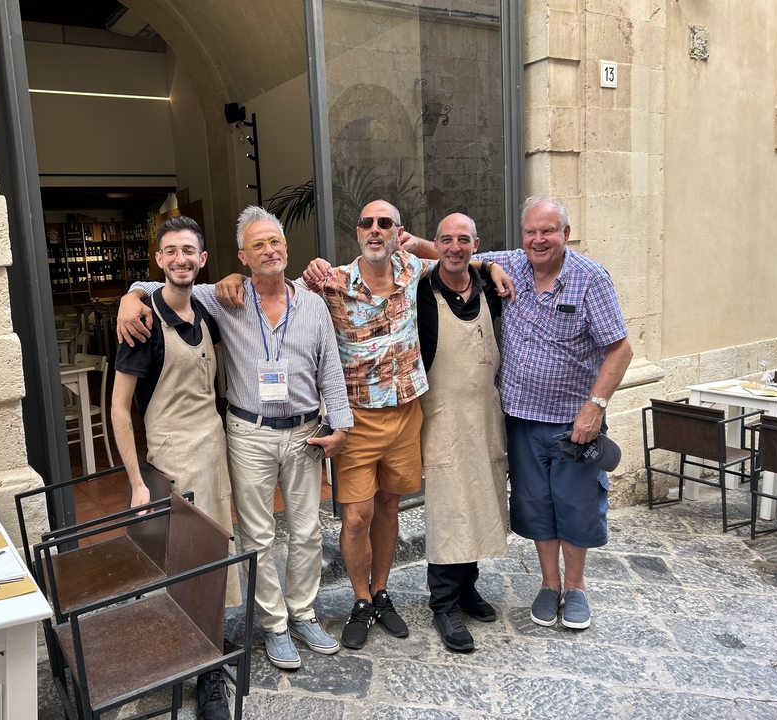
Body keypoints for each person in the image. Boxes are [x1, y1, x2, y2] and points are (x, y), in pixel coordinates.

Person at [219, 200, 511, 651]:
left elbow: (453, 253)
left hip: (407, 412)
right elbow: (270, 278)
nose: (375, 230)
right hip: (355, 419)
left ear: (399, 232)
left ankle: (380, 592)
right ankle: (359, 599)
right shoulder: (326, 281)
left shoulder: (415, 269)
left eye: (385, 224)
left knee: (390, 507)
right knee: (356, 516)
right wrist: (236, 277)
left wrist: (487, 264)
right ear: (356, 232)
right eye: (366, 223)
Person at [115, 206, 353, 672]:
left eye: (275, 242)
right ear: (242, 256)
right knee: (258, 535)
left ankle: (303, 613)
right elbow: (169, 283)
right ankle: (274, 625)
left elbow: (330, 367)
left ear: (286, 249)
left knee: (307, 530)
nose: (269, 251)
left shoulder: (314, 304)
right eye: (257, 245)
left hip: (306, 433)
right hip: (248, 433)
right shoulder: (225, 297)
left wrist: (339, 424)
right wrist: (130, 293)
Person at [474, 196, 633, 630]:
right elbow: (452, 253)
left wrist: (595, 407)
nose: (538, 240)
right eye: (531, 231)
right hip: (521, 418)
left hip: (572, 422)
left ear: (565, 233)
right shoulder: (512, 263)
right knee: (536, 504)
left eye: (548, 231)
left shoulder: (589, 278)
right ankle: (548, 584)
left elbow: (620, 348)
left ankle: (576, 588)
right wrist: (410, 243)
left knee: (576, 506)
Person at [111, 215, 238, 720]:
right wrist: (137, 483)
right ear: (159, 260)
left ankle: (209, 647)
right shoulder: (140, 324)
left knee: (216, 558)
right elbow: (119, 408)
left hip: (214, 454)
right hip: (173, 461)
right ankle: (204, 673)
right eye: (171, 251)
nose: (181, 259)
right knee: (186, 565)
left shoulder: (207, 309)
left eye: (190, 251)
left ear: (201, 260)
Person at [416, 213, 508, 652]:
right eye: (446, 240)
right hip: (444, 415)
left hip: (485, 414)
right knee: (449, 510)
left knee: (479, 498)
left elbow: (506, 260)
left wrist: (490, 266)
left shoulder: (491, 285)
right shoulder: (420, 290)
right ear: (436, 244)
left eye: (463, 240)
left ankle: (468, 586)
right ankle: (444, 605)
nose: (454, 247)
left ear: (476, 244)